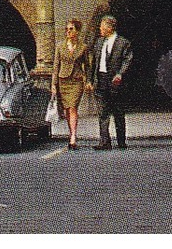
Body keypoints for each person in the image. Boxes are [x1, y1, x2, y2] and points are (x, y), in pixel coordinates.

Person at [90, 14, 133, 150]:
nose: (100, 29)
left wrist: (120, 74)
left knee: (118, 112)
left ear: (110, 27)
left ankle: (121, 141)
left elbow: (127, 60)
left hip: (115, 82)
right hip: (101, 80)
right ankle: (104, 141)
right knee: (102, 113)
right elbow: (94, 63)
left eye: (102, 27)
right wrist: (90, 80)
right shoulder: (99, 42)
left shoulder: (123, 43)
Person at [52, 19, 90, 149]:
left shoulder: (83, 47)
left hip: (77, 80)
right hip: (63, 80)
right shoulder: (60, 46)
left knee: (73, 107)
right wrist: (54, 84)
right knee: (67, 109)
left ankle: (73, 136)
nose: (68, 32)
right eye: (67, 29)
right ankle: (71, 132)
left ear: (77, 31)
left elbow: (87, 65)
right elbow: (56, 66)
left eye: (71, 29)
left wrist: (88, 80)